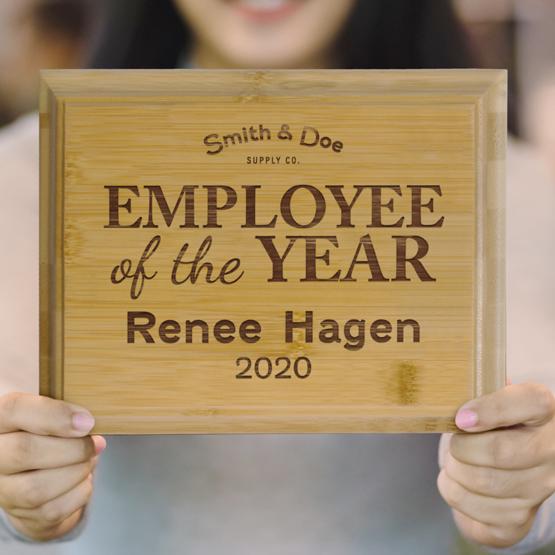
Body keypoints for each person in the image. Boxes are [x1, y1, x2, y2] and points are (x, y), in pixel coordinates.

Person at [0, 1, 554, 553]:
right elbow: (12, 379)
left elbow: (534, 399)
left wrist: (523, 486)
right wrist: (21, 486)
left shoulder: (506, 182)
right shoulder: (37, 169)